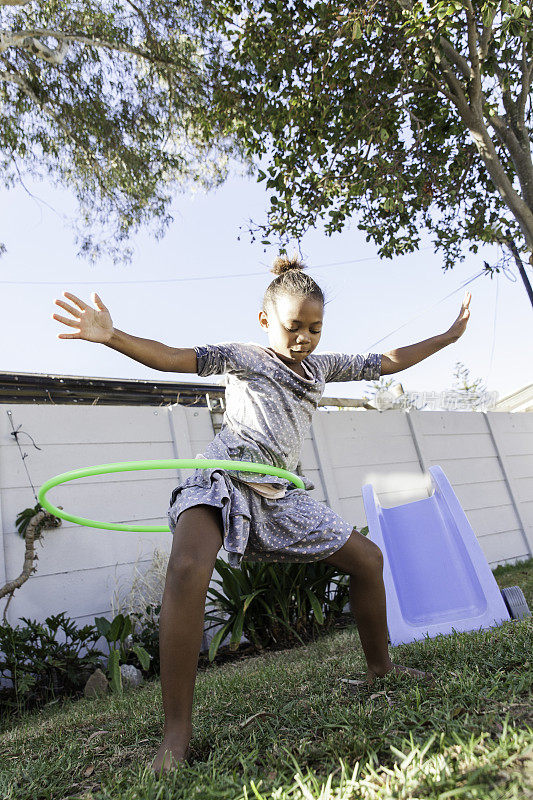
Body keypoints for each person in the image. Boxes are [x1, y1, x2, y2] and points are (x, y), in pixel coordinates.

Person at [52, 254, 471, 775]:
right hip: (224, 476)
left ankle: (381, 671)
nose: (304, 338)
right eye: (294, 326)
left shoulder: (321, 367)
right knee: (186, 569)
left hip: (280, 492)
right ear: (266, 322)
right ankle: (176, 735)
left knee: (368, 560)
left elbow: (388, 359)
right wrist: (112, 336)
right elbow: (170, 357)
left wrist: (447, 337)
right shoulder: (246, 356)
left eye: (315, 328)